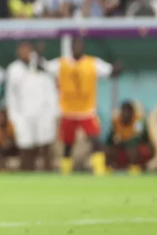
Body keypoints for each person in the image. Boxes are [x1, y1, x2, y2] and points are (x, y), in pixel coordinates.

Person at [43, 37, 121, 175]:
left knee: (95, 140)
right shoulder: (62, 63)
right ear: (71, 47)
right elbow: (44, 67)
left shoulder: (92, 63)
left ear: (84, 47)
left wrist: (117, 68)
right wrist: (38, 55)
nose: (77, 47)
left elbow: (111, 71)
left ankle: (99, 169)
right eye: (75, 45)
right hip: (68, 111)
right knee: (68, 144)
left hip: (87, 111)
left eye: (80, 45)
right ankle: (66, 170)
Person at [5, 42, 58, 171]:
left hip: (43, 113)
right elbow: (11, 95)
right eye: (22, 50)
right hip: (23, 114)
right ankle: (27, 173)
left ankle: (48, 173)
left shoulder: (42, 65)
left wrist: (54, 112)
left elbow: (51, 90)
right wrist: (13, 116)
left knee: (45, 145)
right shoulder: (13, 69)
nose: (25, 53)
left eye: (27, 50)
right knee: (26, 146)